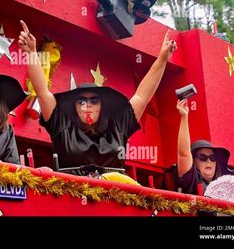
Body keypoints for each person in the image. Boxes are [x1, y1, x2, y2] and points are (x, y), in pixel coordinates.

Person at [17, 20, 177, 173]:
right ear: (74, 106)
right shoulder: (61, 123)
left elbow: (142, 96)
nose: (88, 105)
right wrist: (31, 53)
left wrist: (162, 59)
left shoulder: (118, 125)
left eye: (94, 101)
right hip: (72, 197)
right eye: (81, 101)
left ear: (102, 106)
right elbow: (42, 90)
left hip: (114, 196)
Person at [174, 99, 230, 195]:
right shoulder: (193, 180)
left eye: (212, 158)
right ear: (193, 161)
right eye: (203, 158)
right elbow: (183, 154)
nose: (209, 161)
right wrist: (184, 117)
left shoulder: (224, 186)